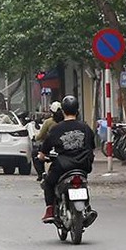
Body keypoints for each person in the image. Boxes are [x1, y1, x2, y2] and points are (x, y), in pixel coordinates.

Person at [38, 95, 98, 224]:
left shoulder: (56, 129)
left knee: (48, 182)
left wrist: (42, 157)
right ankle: (87, 208)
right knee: (83, 183)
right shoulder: (86, 128)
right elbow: (91, 147)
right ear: (77, 111)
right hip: (83, 165)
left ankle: (49, 209)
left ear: (63, 111)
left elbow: (44, 151)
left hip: (63, 166)